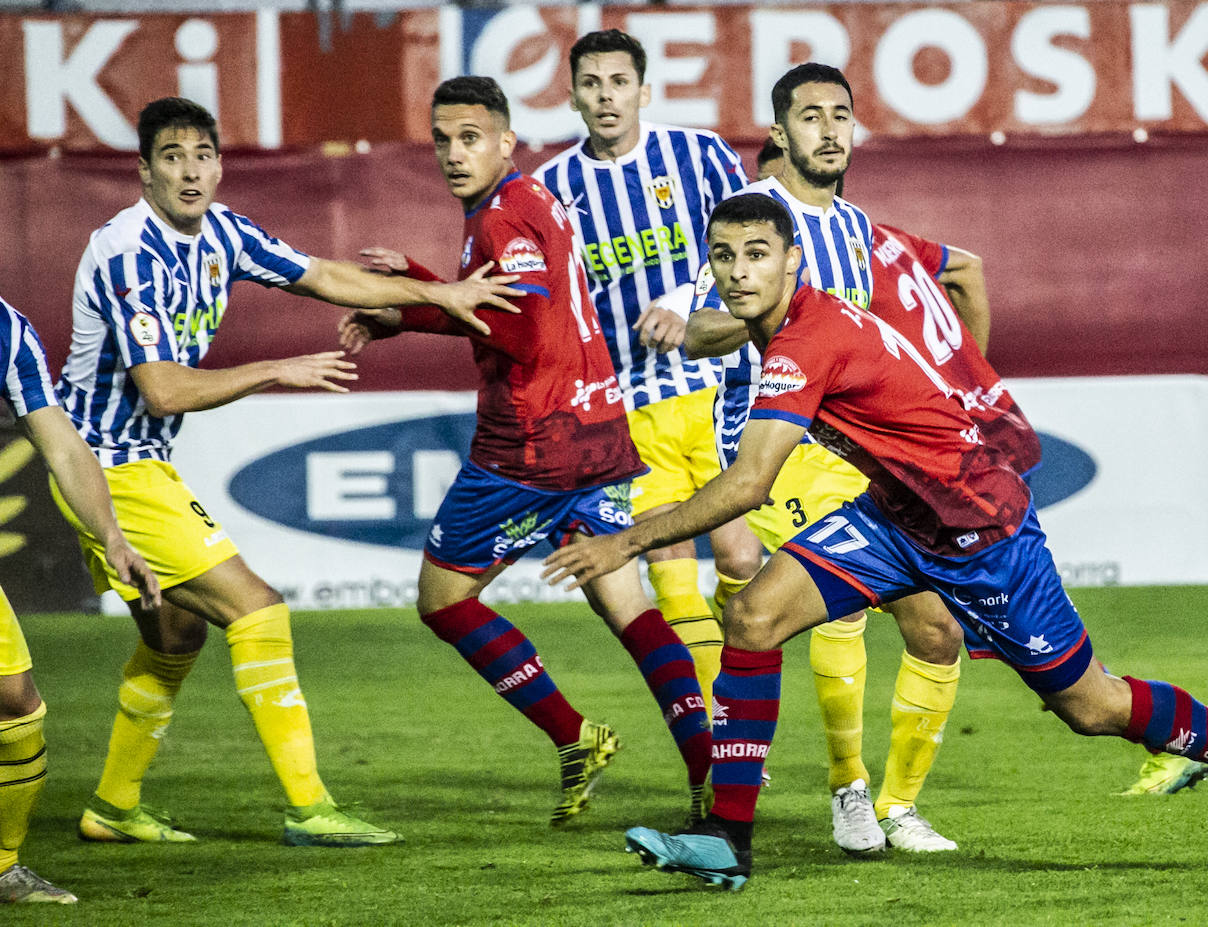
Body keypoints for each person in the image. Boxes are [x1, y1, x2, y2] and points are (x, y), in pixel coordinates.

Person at [544, 193, 1208, 889]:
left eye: (758, 254)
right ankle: (728, 838)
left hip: (980, 532)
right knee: (752, 618)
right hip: (896, 520)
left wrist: (625, 542)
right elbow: (726, 325)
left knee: (1090, 707)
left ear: (792, 261)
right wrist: (695, 331)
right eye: (724, 255)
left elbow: (749, 483)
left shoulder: (804, 343)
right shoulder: (778, 314)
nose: (740, 270)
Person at [54, 96, 516, 847]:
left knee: (175, 638)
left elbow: (326, 275)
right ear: (143, 173)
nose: (191, 170)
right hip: (106, 467)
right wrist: (278, 367)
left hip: (130, 465)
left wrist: (440, 293)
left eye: (202, 153)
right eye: (172, 157)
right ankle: (310, 806)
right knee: (257, 609)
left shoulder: (223, 232)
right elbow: (164, 388)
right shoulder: (128, 251)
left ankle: (110, 807)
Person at [759, 143, 1208, 805]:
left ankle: (861, 795)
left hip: (925, 461)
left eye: (765, 177)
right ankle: (877, 800)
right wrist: (969, 375)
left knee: (999, 635)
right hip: (952, 442)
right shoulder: (881, 238)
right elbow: (967, 266)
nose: (757, 193)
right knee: (951, 627)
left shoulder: (837, 258)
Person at [339, 76, 712, 827]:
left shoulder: (503, 217)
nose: (453, 152)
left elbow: (521, 330)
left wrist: (415, 303)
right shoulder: (533, 202)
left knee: (443, 600)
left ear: (507, 142)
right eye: (442, 138)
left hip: (533, 446)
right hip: (602, 430)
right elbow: (518, 309)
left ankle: (575, 734)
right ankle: (710, 771)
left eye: (470, 137)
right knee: (629, 603)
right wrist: (429, 293)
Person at [688, 66, 977, 855]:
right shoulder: (756, 221)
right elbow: (698, 325)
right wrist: (729, 318)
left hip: (861, 451)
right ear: (780, 133)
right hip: (780, 447)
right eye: (809, 116)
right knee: (841, 603)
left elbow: (935, 293)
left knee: (939, 629)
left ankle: (899, 805)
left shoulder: (856, 226)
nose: (828, 129)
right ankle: (847, 790)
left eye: (840, 114)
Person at [531, 29, 760, 714]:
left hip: (721, 387)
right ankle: (725, 728)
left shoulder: (700, 155)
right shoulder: (552, 190)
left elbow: (756, 242)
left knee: (743, 560)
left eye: (618, 82)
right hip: (630, 403)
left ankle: (730, 672)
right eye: (592, 84)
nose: (606, 96)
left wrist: (687, 301)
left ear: (644, 90)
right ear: (572, 96)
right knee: (670, 565)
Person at [0, 295, 160, 903]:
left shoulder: (5, 329)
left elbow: (62, 443)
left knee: (15, 706)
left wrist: (112, 537)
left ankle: (3, 869)